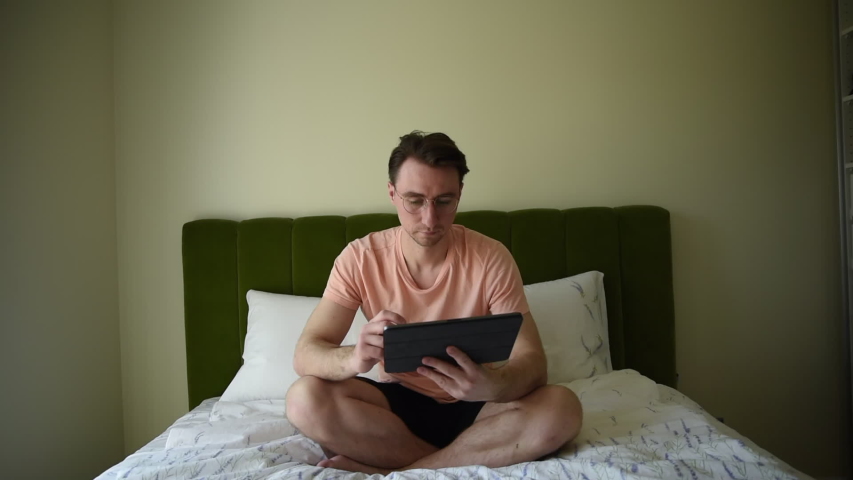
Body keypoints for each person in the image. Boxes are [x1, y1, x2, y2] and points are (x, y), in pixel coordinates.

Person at [285, 131, 582, 475]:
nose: (430, 219)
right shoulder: (359, 258)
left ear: (459, 196)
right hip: (396, 404)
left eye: (444, 201)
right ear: (392, 194)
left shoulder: (491, 257)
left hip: (479, 402)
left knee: (563, 408)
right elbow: (306, 353)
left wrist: (495, 385)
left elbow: (533, 362)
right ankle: (450, 462)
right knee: (303, 399)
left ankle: (401, 469)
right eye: (415, 200)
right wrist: (356, 356)